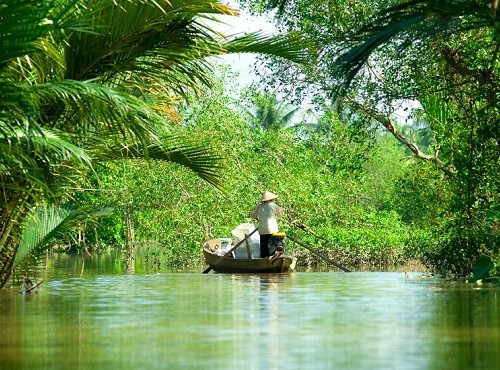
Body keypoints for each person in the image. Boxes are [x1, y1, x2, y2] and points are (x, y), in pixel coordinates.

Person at [249, 191, 283, 257]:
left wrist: (257, 218)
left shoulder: (260, 207)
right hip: (272, 230)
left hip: (262, 230)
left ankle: (264, 259)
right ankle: (272, 259)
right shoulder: (274, 206)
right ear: (272, 199)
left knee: (264, 247)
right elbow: (280, 215)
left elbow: (252, 215)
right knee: (272, 247)